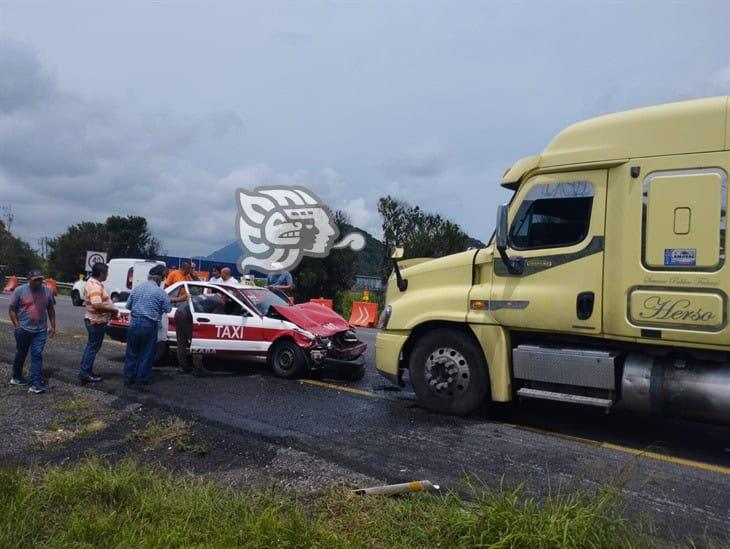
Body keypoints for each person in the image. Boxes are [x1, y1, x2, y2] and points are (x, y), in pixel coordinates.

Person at [8, 269, 56, 394]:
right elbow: (12, 309)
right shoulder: (20, 290)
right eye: (35, 280)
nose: (39, 282)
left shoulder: (47, 291)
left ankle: (35, 384)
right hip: (23, 329)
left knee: (37, 354)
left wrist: (53, 325)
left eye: (40, 279)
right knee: (21, 353)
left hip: (40, 330)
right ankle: (16, 377)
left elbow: (50, 308)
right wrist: (17, 326)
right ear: (29, 280)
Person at [123, 265, 172, 386]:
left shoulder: (137, 288)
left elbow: (128, 306)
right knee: (146, 353)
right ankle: (141, 378)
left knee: (131, 352)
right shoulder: (161, 292)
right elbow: (168, 309)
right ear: (159, 278)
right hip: (149, 324)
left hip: (134, 323)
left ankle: (128, 378)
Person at [78, 262, 119, 383]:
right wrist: (112, 309)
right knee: (92, 347)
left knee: (91, 346)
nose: (107, 275)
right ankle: (85, 373)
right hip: (96, 321)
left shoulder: (93, 283)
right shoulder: (95, 286)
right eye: (106, 273)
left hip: (95, 320)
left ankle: (85, 371)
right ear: (101, 273)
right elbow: (97, 305)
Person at [174, 292, 226, 375]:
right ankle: (198, 369)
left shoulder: (209, 294)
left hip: (178, 312)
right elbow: (213, 316)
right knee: (197, 342)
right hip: (188, 315)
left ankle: (183, 367)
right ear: (224, 296)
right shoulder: (221, 302)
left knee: (181, 343)